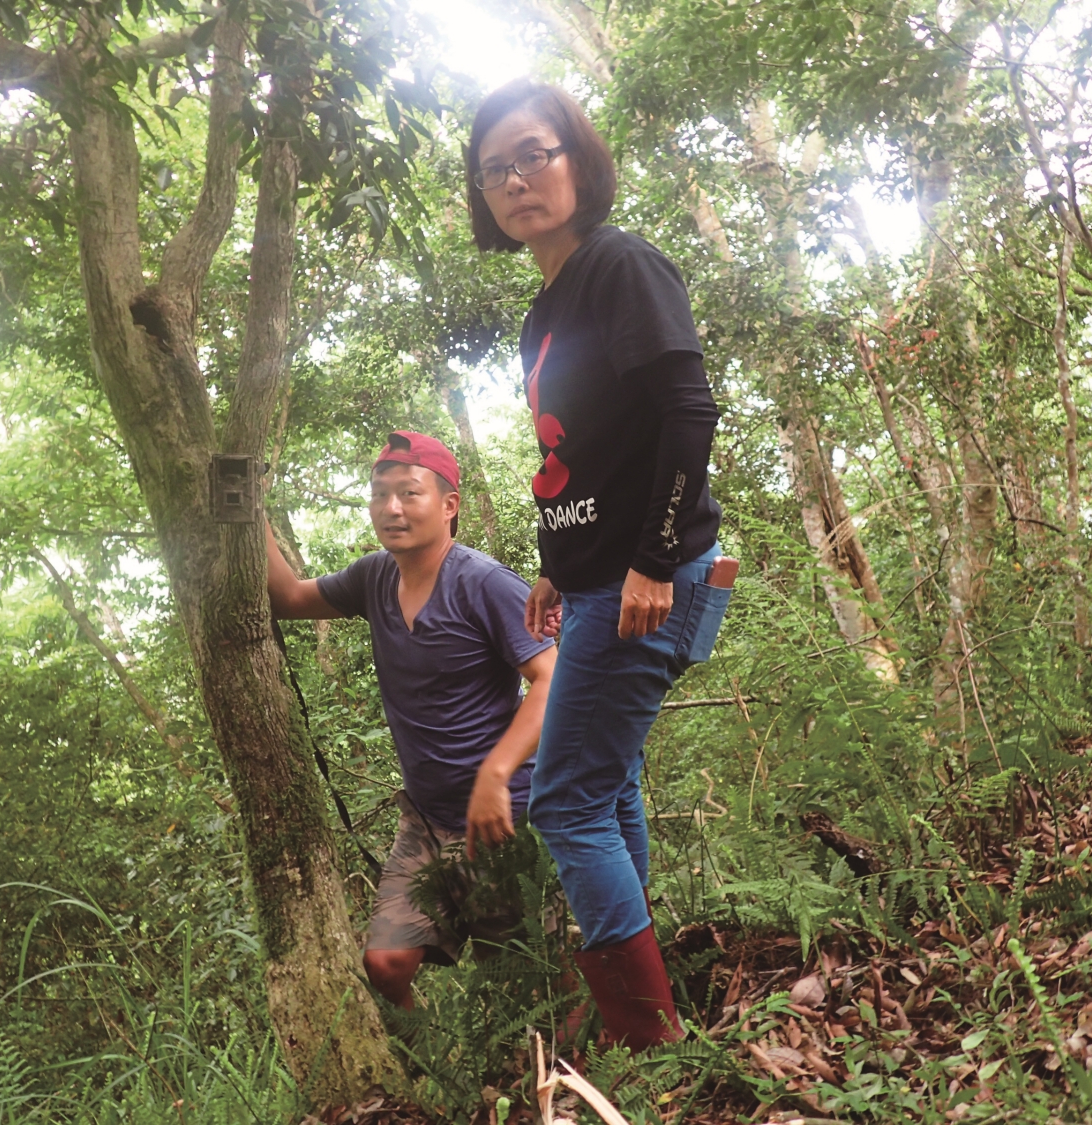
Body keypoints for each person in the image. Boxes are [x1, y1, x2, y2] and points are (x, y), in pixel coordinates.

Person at [466, 78, 735, 1048]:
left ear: (579, 159)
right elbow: (573, 453)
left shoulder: (621, 265)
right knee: (606, 786)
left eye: (536, 153)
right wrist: (554, 556)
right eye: (497, 167)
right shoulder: (545, 308)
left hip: (648, 583)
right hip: (588, 581)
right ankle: (648, 995)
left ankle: (649, 1033)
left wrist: (653, 559)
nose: (517, 179)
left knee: (567, 799)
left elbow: (686, 411)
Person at [265, 430, 557, 1010]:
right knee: (386, 963)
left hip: (503, 819)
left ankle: (558, 1083)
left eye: (409, 493)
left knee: (526, 986)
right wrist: (247, 511)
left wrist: (495, 775)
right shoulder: (374, 578)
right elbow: (290, 599)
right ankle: (428, 1077)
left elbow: (555, 679)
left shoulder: (483, 583)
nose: (391, 508)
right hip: (424, 820)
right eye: (379, 494)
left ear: (449, 506)